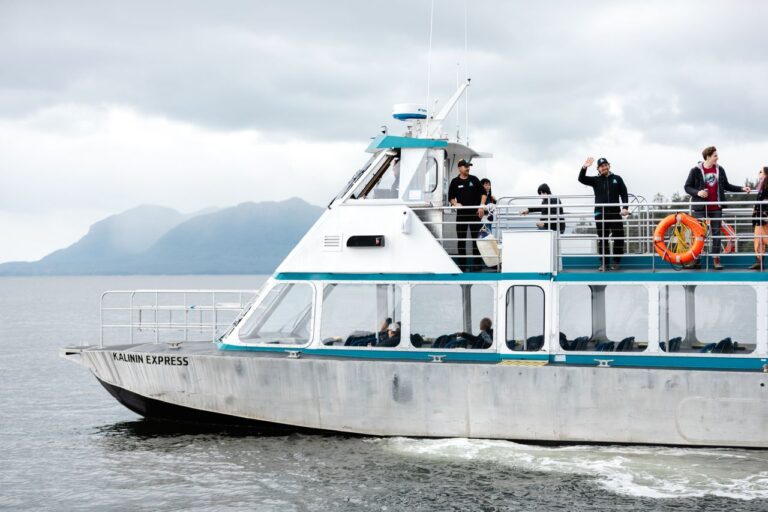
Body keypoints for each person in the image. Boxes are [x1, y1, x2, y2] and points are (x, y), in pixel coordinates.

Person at [684, 146, 750, 270]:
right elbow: (687, 187)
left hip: (716, 207)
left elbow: (727, 186)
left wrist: (742, 188)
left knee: (716, 233)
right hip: (700, 208)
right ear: (708, 157)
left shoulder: (720, 170)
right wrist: (698, 192)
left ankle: (716, 259)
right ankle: (695, 259)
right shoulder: (695, 170)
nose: (717, 158)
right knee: (697, 233)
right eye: (715, 155)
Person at [578, 157, 629, 271]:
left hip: (615, 212)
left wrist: (625, 208)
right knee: (603, 238)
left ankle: (616, 262)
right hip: (600, 213)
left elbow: (624, 193)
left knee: (619, 236)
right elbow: (581, 179)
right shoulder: (595, 180)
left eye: (606, 165)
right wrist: (584, 167)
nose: (604, 167)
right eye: (601, 166)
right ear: (598, 169)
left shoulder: (617, 178)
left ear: (609, 166)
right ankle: (604, 263)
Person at [448, 159, 486, 271]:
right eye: (465, 166)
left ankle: (477, 264)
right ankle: (462, 265)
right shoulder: (455, 182)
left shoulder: (474, 179)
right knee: (461, 239)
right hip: (461, 215)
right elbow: (451, 198)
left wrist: (481, 206)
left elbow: (483, 193)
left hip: (474, 214)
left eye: (469, 166)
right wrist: (455, 203)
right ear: (459, 168)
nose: (468, 168)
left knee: (476, 239)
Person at [750, 166, 768, 270]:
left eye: (761, 172)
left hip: (763, 217)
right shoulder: (762, 186)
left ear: (766, 174)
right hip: (760, 217)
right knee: (758, 239)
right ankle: (759, 262)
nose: (759, 173)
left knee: (761, 238)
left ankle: (759, 261)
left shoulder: (765, 187)